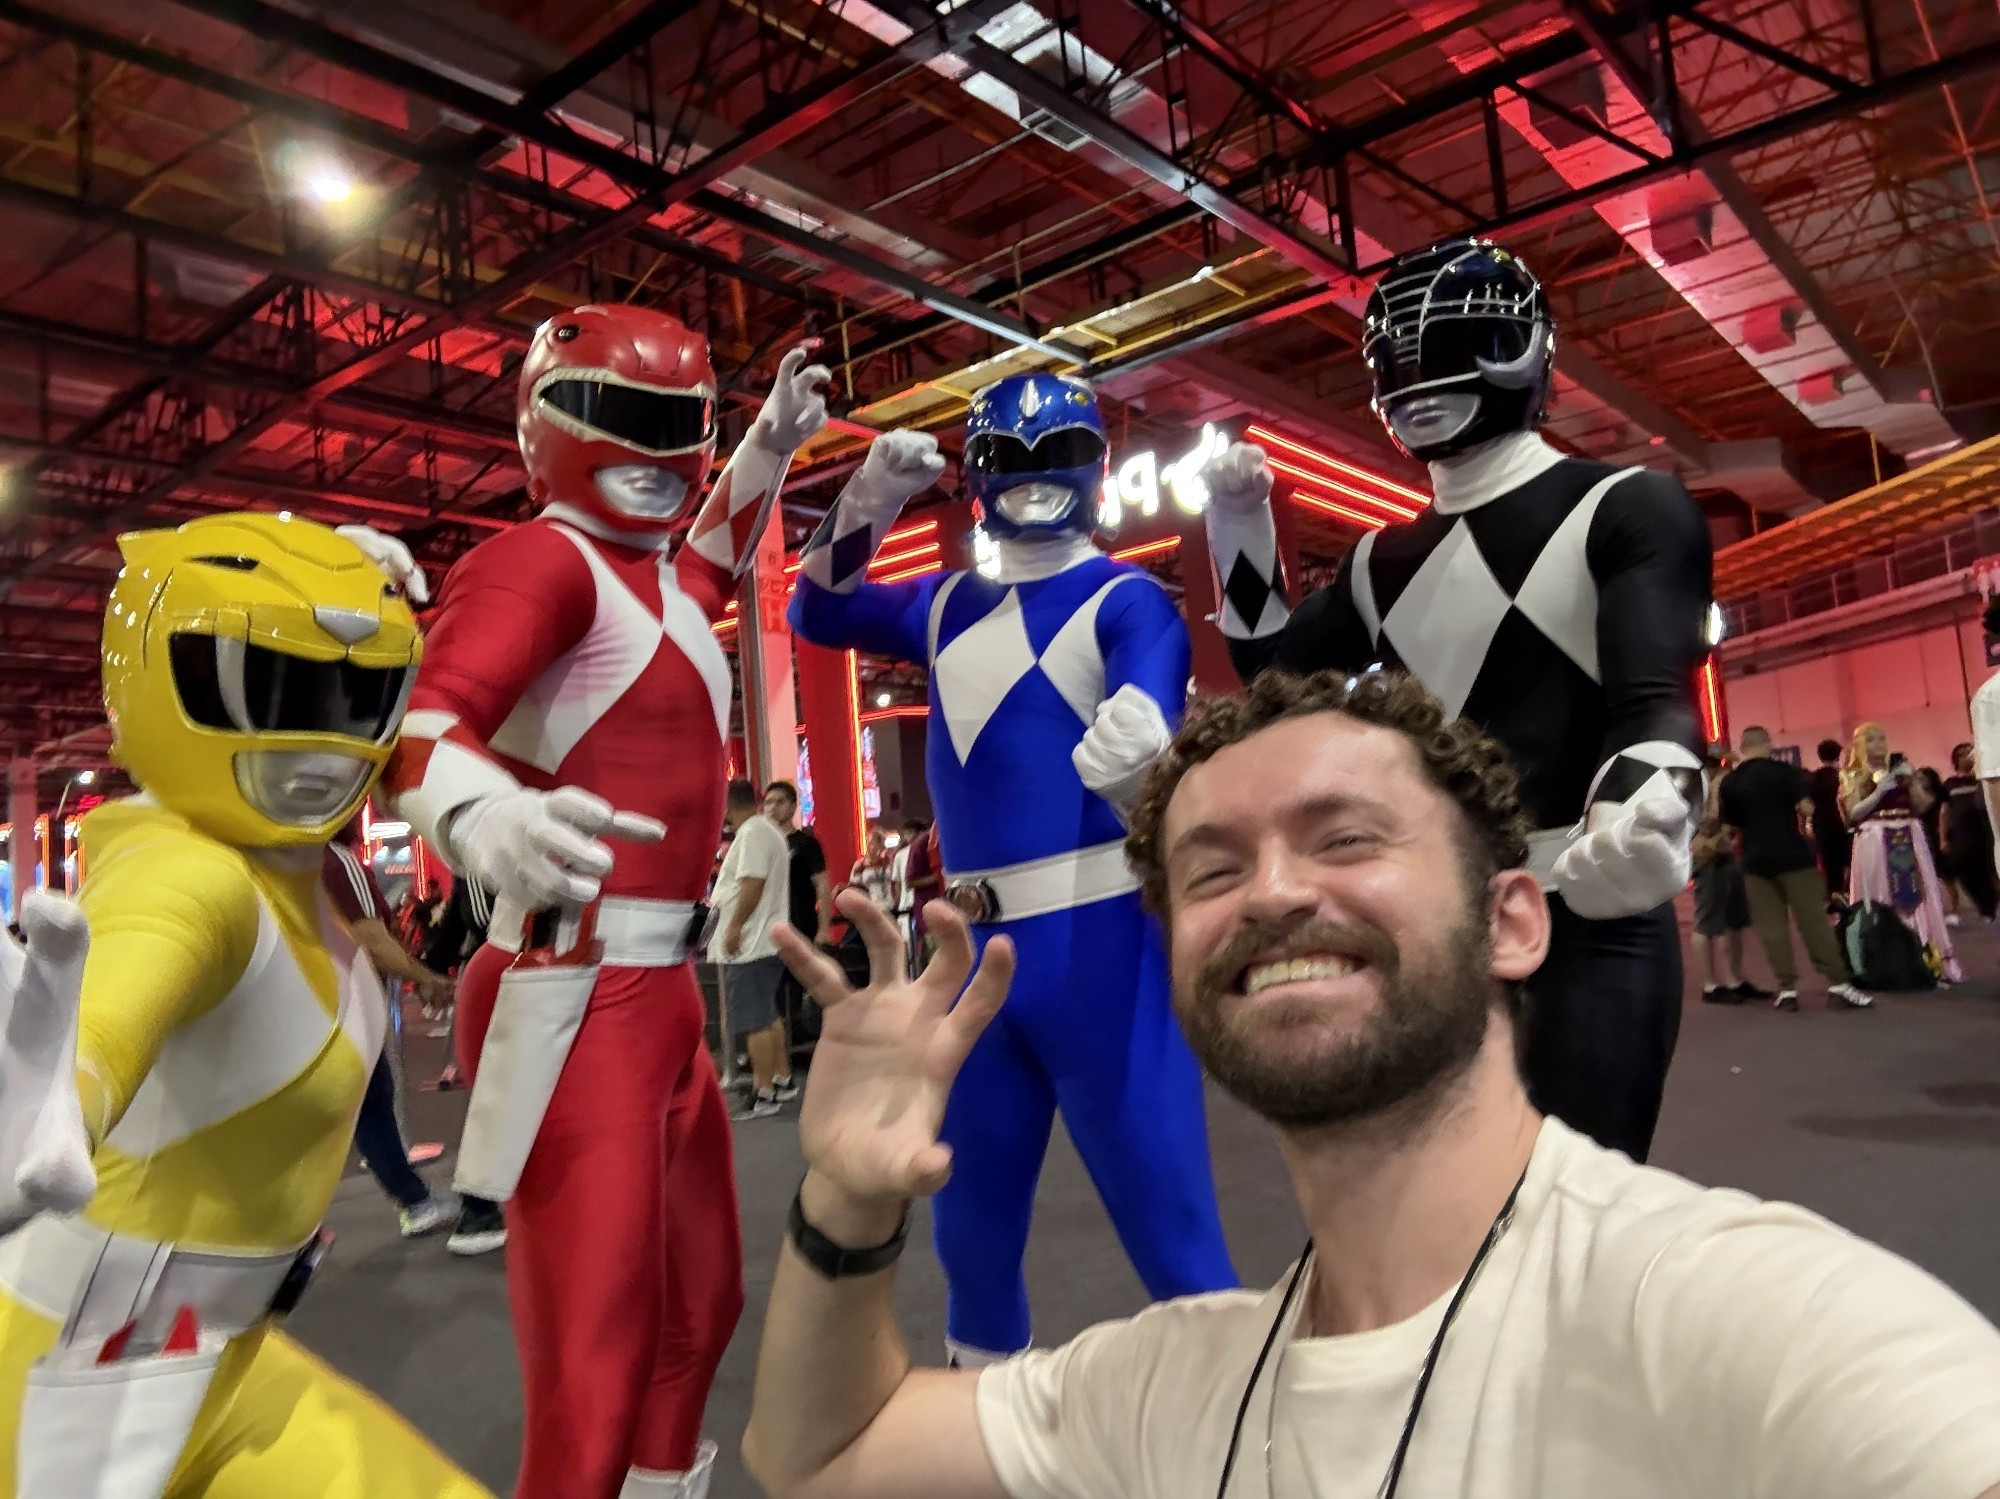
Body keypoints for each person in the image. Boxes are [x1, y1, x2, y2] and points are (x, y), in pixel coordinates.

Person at [741, 669, 2000, 1499]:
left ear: (1512, 919)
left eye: (1345, 837)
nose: (1276, 890)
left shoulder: (1744, 1318)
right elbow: (817, 1453)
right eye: (1213, 869)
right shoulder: (1165, 1382)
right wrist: (847, 1197)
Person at [383, 305, 831, 1499]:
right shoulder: (541, 559)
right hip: (570, 987)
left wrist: (772, 446)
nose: (651, 449)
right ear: (545, 425)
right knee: (592, 1361)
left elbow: (714, 551)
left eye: (675, 424)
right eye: (619, 418)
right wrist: (481, 816)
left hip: (656, 993)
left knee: (700, 1306)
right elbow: (419, 731)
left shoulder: (657, 576)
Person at [0, 514, 489, 1497]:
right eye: (260, 683)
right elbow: (123, 988)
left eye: (356, 695)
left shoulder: (291, 872)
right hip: (75, 1389)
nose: (321, 736)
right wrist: (66, 1088)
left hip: (205, 1359)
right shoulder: (192, 875)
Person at [1198, 235, 1707, 1164]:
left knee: (1576, 1198)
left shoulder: (1626, 507)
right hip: (1441, 919)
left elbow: (1652, 698)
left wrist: (1651, 797)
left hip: (1587, 902)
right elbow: (1268, 669)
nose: (1426, 375)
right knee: (1429, 1189)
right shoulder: (1376, 564)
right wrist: (1237, 525)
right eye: (1406, 353)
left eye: (1457, 344)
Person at [790, 375, 1236, 1365]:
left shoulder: (1124, 598)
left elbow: (1146, 695)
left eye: (1052, 458)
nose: (1033, 482)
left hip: (1099, 949)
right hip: (970, 958)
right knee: (970, 1234)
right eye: (1009, 461)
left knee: (1170, 1230)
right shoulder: (944, 602)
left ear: (1090, 466)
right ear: (978, 474)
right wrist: (864, 498)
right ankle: (982, 1435)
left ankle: (1244, 1443)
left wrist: (1142, 748)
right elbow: (815, 613)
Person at [324, 822, 461, 1237]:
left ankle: (413, 1198)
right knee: (371, 1102)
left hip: (313, 1004)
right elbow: (372, 937)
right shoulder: (337, 862)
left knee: (364, 1105)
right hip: (341, 1004)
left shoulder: (288, 859)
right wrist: (425, 977)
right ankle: (415, 1201)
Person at [1718, 727, 1871, 1012]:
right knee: (1813, 922)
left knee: (1772, 928)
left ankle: (1787, 990)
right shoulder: (1785, 772)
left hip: (1754, 862)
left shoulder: (1731, 782)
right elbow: (1806, 808)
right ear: (1768, 744)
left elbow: (1728, 830)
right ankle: (1838, 985)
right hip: (1793, 857)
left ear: (1742, 747)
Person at [1841, 723, 1961, 983]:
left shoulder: (1901, 769)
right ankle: (1883, 958)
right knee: (1881, 894)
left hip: (1909, 833)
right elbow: (1853, 813)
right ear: (1860, 745)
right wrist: (1880, 790)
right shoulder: (1853, 774)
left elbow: (1924, 805)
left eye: (1882, 738)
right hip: (1874, 837)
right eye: (1871, 739)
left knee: (1919, 893)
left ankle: (1928, 957)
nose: (1879, 744)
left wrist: (1912, 782)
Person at [714, 779, 796, 1121]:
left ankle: (763, 1092)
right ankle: (781, 1077)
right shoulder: (767, 831)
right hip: (765, 939)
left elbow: (752, 882)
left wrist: (734, 926)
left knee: (755, 1021)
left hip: (752, 941)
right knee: (767, 1014)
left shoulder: (752, 833)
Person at [1687, 747, 1761, 1004]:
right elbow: (1707, 823)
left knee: (1733, 922)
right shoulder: (1697, 785)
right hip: (1708, 855)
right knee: (1706, 922)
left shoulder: (1713, 782)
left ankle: (1734, 979)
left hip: (1725, 854)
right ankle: (1710, 985)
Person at [1941, 742, 1998, 924]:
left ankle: (1989, 908)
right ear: (1956, 760)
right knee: (1963, 868)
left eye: (1970, 752)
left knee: (1988, 869)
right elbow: (1944, 812)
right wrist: (1942, 838)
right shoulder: (1950, 784)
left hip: (1983, 831)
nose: (1968, 756)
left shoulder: (1981, 781)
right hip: (1961, 833)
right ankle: (1984, 902)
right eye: (1963, 754)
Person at [1807, 737, 1851, 909]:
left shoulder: (1813, 778)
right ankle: (1846, 894)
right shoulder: (1842, 777)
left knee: (1828, 862)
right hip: (1841, 824)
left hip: (1822, 825)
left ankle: (1833, 895)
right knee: (1846, 861)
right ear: (1839, 754)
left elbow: (1807, 803)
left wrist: (1807, 824)